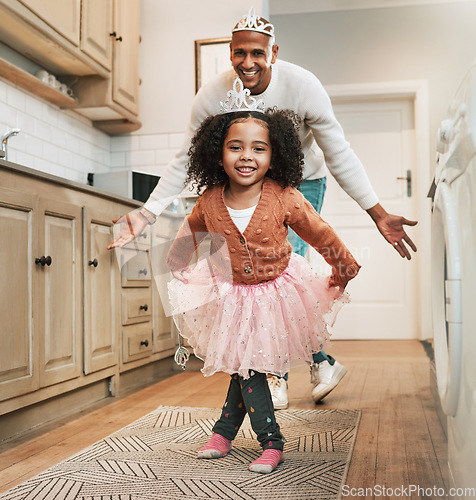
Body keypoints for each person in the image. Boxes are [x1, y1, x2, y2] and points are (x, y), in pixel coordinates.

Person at [108, 7, 417, 406]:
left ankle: (276, 374)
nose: (248, 62)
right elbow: (184, 159)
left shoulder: (303, 86)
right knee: (254, 272)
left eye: (257, 53)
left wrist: (377, 213)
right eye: (239, 53)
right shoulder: (211, 95)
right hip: (246, 176)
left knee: (289, 266)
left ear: (273, 52)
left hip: (300, 177)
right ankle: (318, 362)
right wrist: (146, 212)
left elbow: (338, 152)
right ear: (230, 53)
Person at [165, 79, 360, 474]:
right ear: (217, 155)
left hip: (275, 294)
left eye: (258, 148)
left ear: (274, 155)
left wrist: (344, 267)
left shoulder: (284, 195)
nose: (246, 156)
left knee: (250, 367)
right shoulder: (208, 200)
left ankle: (270, 441)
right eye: (235, 147)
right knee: (244, 365)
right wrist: (179, 268)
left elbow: (319, 233)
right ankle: (225, 431)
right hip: (229, 295)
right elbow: (187, 236)